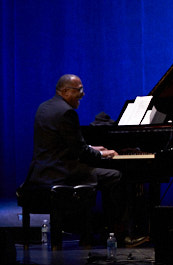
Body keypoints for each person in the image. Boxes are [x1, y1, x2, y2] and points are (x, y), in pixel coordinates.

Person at [23, 74, 124, 236]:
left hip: (42, 172)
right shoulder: (67, 112)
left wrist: (93, 148)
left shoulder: (44, 107)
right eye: (79, 90)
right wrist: (103, 154)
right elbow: (81, 152)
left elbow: (64, 145)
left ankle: (96, 227)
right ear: (65, 91)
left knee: (104, 173)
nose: (82, 95)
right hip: (61, 173)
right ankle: (113, 231)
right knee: (114, 175)